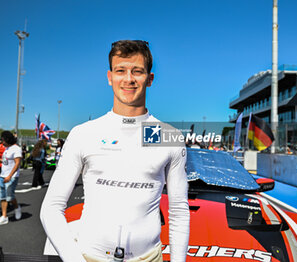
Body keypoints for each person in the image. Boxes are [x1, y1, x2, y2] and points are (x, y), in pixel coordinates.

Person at [40, 40, 190, 262]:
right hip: (88, 257)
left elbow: (178, 211)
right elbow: (51, 208)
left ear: (150, 79)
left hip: (149, 257)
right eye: (121, 71)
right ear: (110, 77)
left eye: (137, 71)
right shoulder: (84, 133)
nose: (128, 79)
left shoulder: (169, 136)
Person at [0, 131, 22, 225]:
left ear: (7, 139)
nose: (2, 142)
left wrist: (9, 176)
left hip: (11, 177)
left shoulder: (16, 149)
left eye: (3, 140)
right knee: (3, 197)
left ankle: (17, 208)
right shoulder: (7, 148)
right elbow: (6, 161)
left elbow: (17, 163)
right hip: (2, 176)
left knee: (10, 196)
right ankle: (4, 216)